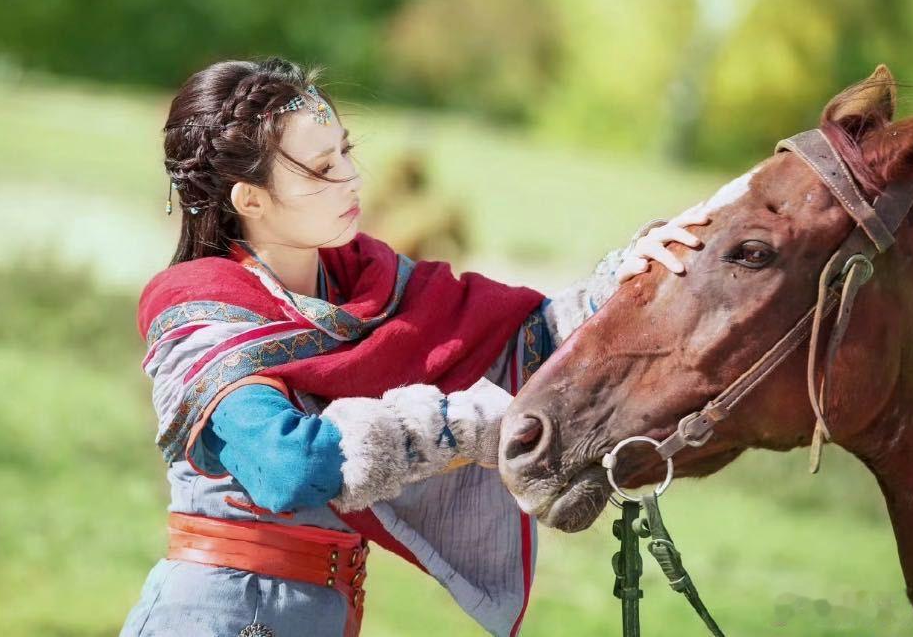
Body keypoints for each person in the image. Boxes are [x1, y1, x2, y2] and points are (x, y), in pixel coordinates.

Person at [119, 57, 707, 637]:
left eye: (346, 151)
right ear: (250, 199)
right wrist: (460, 424)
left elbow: (522, 343)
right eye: (322, 168)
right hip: (213, 617)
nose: (351, 177)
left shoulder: (369, 280)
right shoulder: (199, 311)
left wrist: (629, 284)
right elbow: (289, 466)